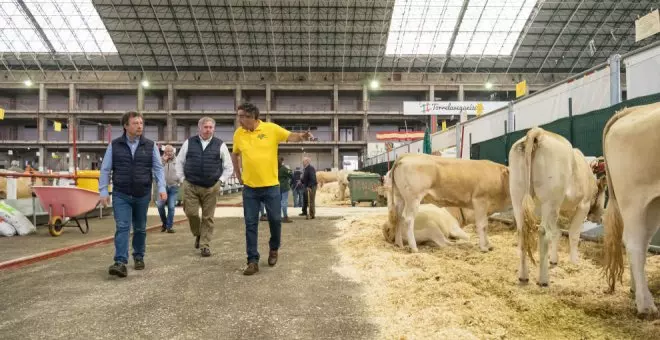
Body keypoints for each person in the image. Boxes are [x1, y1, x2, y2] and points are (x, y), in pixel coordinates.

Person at [231, 102, 313, 275]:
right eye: (238, 115)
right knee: (250, 224)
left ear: (252, 117)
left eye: (242, 116)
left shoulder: (270, 129)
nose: (239, 119)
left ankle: (274, 248)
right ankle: (252, 260)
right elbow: (235, 153)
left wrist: (303, 136)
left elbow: (290, 136)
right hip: (250, 189)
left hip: (271, 187)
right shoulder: (239, 133)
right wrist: (238, 174)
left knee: (275, 220)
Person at [99, 111, 167, 278]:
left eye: (141, 123)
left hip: (142, 193)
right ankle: (120, 262)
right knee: (122, 226)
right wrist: (103, 190)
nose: (139, 126)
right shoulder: (114, 145)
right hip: (121, 193)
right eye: (135, 123)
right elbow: (106, 169)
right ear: (126, 126)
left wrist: (162, 188)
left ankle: (138, 256)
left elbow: (158, 168)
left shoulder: (150, 145)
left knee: (139, 228)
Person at [176, 117, 233, 257]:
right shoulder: (189, 143)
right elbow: (179, 162)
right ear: (199, 128)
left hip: (211, 187)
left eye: (210, 127)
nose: (208, 130)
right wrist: (182, 179)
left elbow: (228, 167)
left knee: (208, 218)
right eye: (205, 127)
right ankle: (198, 234)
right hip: (191, 185)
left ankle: (205, 245)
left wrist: (220, 182)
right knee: (191, 213)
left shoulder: (220, 145)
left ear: (214, 129)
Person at [158, 144, 179, 233]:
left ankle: (169, 227)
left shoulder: (177, 161)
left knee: (171, 207)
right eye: (167, 151)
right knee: (160, 206)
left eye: (170, 151)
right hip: (163, 188)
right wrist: (163, 161)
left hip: (173, 187)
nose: (169, 153)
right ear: (164, 152)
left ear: (173, 151)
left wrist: (178, 179)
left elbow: (181, 171)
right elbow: (156, 171)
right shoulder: (160, 160)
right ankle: (164, 223)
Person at [278, 157, 293, 223]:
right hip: (284, 187)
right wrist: (289, 169)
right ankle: (285, 217)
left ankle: (278, 216)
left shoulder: (275, 168)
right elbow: (291, 174)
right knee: (284, 202)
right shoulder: (283, 168)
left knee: (279, 202)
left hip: (277, 187)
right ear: (282, 161)